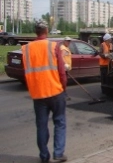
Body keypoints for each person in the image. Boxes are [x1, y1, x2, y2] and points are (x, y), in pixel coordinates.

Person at [21, 19, 68, 163]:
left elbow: (26, 72)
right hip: (55, 91)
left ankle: (44, 156)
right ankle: (58, 153)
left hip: (38, 94)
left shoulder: (26, 49)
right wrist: (63, 87)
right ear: (46, 31)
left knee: (41, 126)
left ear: (36, 31)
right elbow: (61, 71)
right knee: (59, 122)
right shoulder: (53, 46)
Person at [60, 36, 73, 101]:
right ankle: (63, 95)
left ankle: (63, 94)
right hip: (63, 69)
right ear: (64, 41)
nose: (68, 42)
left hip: (66, 69)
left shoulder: (66, 48)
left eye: (69, 41)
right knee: (63, 82)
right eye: (67, 41)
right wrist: (65, 64)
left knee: (64, 82)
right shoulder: (63, 48)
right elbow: (61, 57)